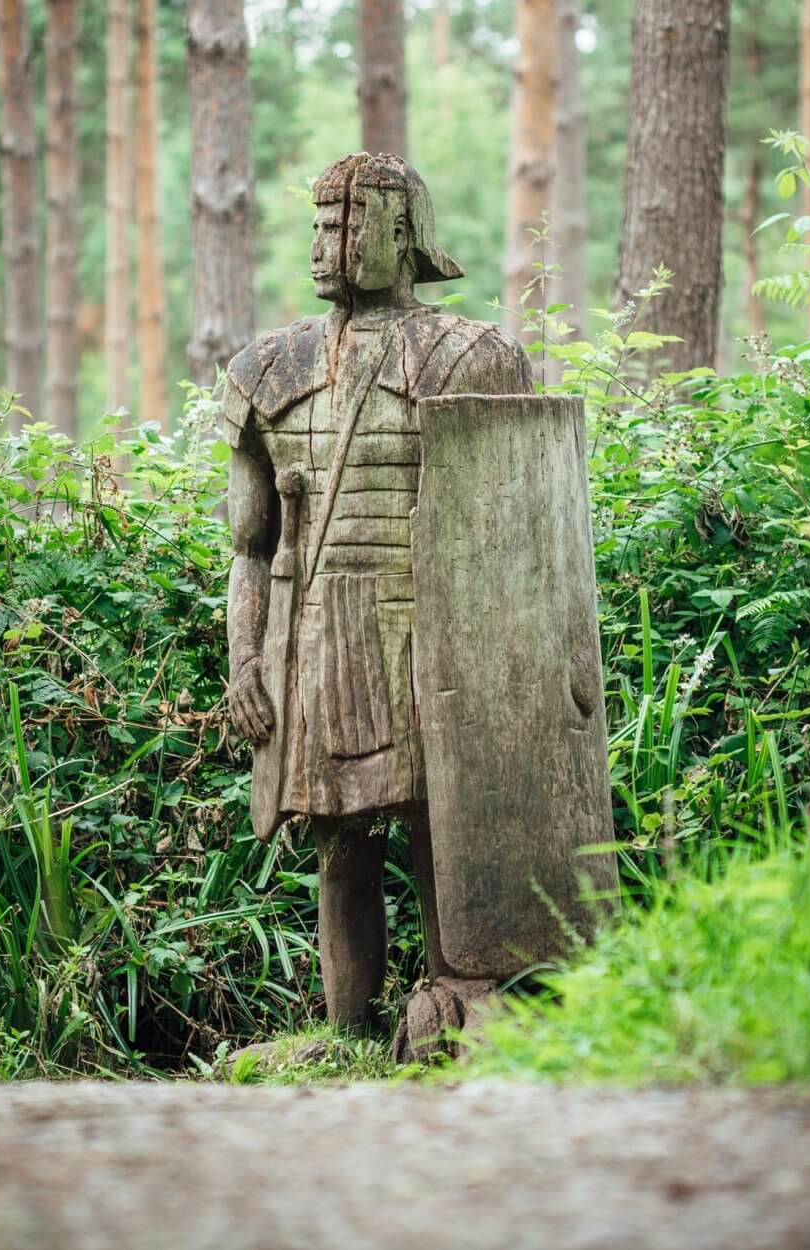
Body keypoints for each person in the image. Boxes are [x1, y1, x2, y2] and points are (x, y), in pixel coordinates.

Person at [223, 152, 533, 1046]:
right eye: (320, 225)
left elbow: (510, 532)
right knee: (341, 847)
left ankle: (458, 1003)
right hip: (317, 641)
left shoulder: (470, 358)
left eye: (347, 223)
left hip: (430, 639)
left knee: (447, 833)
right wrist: (245, 661)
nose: (327, 244)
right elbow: (249, 547)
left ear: (403, 234)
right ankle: (344, 1036)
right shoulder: (268, 369)